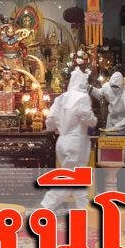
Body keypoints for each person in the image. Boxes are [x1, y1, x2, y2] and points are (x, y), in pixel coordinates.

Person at [40, 68, 97, 210]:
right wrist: (94, 121)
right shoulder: (82, 97)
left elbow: (50, 121)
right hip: (76, 142)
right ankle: (46, 206)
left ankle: (83, 210)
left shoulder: (60, 98)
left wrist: (53, 128)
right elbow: (87, 117)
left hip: (62, 141)